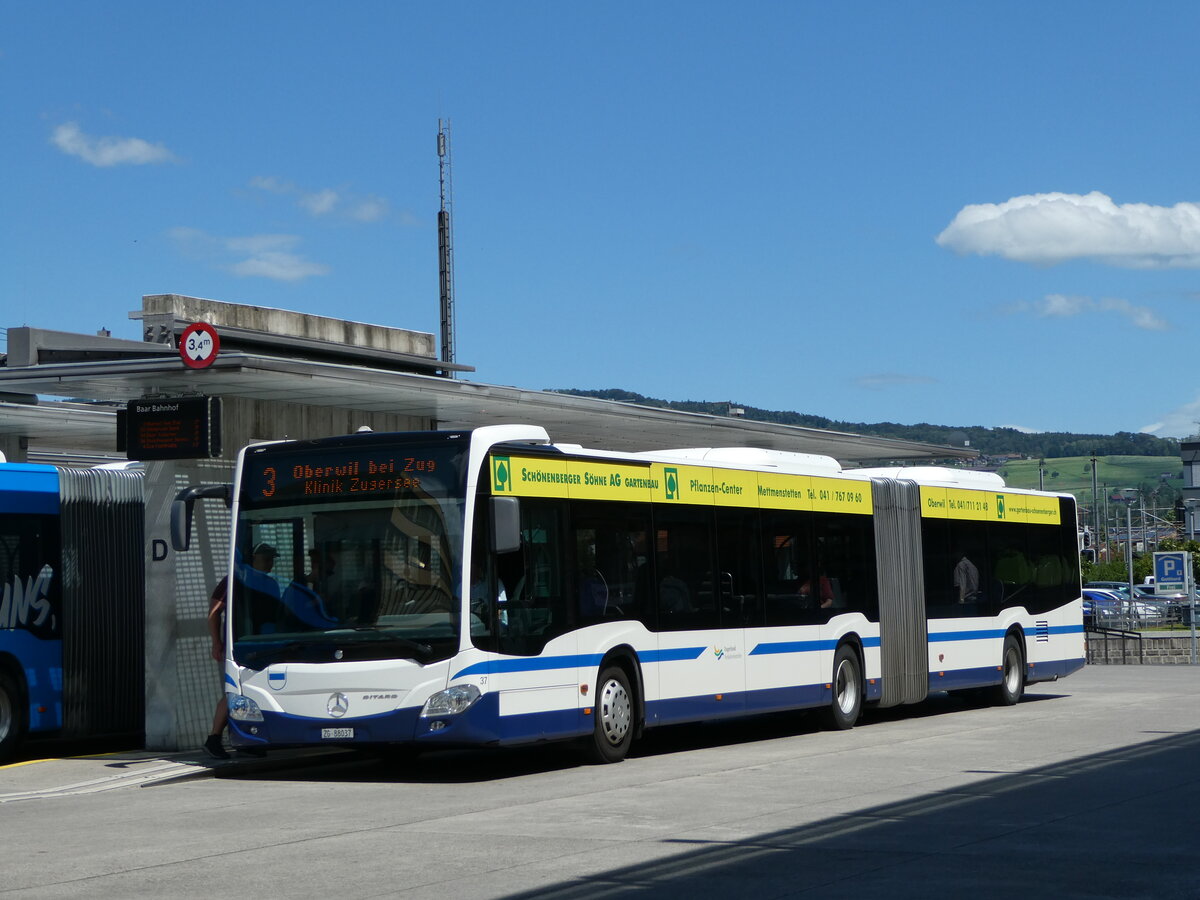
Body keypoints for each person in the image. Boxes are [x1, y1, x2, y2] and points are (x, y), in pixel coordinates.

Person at [203, 576, 230, 760]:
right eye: (266, 559)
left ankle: (248, 741)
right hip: (236, 647)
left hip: (263, 645)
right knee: (234, 693)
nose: (270, 564)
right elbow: (214, 612)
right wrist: (216, 643)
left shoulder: (269, 581)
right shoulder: (232, 579)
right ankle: (214, 739)